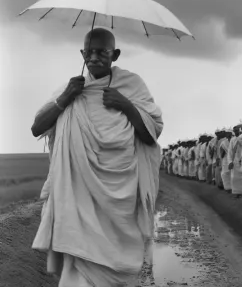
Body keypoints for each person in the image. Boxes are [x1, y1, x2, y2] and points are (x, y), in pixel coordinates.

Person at [30, 28, 163, 286]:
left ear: (115, 54)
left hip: (121, 199)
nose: (94, 57)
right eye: (88, 52)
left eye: (101, 52)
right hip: (78, 197)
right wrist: (66, 98)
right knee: (78, 271)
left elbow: (151, 135)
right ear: (81, 54)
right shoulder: (71, 88)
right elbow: (37, 127)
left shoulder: (132, 86)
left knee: (119, 270)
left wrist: (125, 104)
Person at [228, 124, 242, 198]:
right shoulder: (232, 139)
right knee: (235, 178)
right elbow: (230, 151)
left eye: (237, 130)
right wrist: (230, 161)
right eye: (234, 131)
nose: (236, 131)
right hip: (235, 160)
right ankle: (237, 193)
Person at [220, 128, 233, 192]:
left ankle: (233, 188)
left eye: (229, 133)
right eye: (227, 133)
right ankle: (227, 187)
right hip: (226, 159)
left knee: (232, 174)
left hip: (234, 158)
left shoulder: (234, 140)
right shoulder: (223, 143)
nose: (228, 134)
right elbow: (221, 154)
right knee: (225, 173)